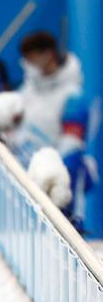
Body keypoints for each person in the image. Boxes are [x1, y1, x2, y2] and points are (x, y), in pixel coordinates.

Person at [14, 31, 97, 226]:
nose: (27, 65)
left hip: (55, 184)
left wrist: (54, 189)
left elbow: (71, 150)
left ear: (48, 55)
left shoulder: (72, 96)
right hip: (26, 186)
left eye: (31, 59)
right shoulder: (28, 89)